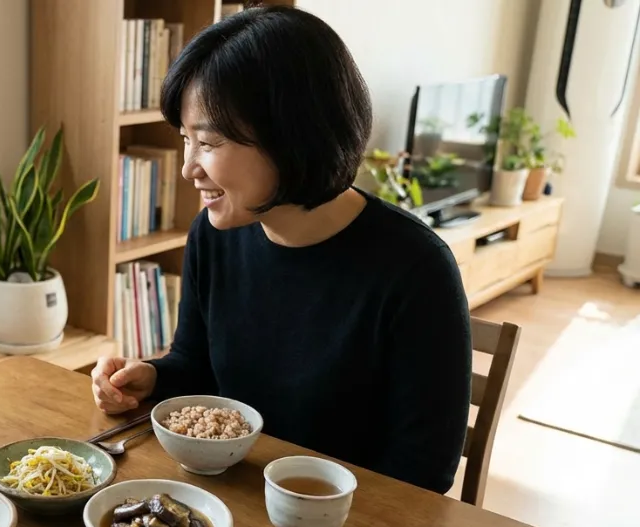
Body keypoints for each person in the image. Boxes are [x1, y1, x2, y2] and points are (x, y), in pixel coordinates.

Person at [90, 6, 471, 494]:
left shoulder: (415, 270)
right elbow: (196, 365)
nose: (188, 168)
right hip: (231, 495)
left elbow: (424, 471)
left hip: (338, 519)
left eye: (208, 142)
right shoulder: (214, 235)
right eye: (185, 139)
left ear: (293, 135)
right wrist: (152, 378)